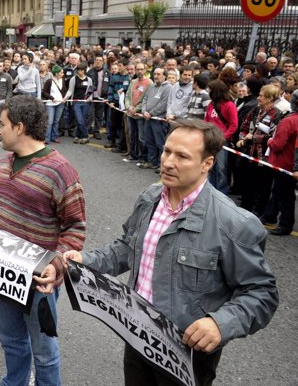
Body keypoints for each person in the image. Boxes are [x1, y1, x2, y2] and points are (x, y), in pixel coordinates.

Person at [65, 119, 278, 386]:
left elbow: (262, 293)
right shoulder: (150, 198)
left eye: (182, 156)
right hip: (136, 335)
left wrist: (220, 324)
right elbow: (126, 248)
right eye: (167, 151)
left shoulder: (234, 223)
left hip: (188, 353)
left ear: (207, 164)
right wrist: (84, 260)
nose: (167, 162)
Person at [0, 95, 86, 385]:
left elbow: (75, 228)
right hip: (3, 273)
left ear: (20, 127)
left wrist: (57, 265)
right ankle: (15, 381)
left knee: (44, 351)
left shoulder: (61, 171)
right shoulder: (2, 164)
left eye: (3, 124)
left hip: (39, 281)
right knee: (11, 340)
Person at [235, 84, 282, 217]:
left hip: (264, 157)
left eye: (261, 96)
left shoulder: (276, 114)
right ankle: (245, 206)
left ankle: (259, 210)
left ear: (269, 98)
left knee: (263, 185)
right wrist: (243, 138)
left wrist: (254, 137)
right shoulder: (255, 110)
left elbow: (274, 135)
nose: (258, 97)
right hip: (249, 153)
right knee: (247, 181)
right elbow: (244, 125)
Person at [265, 90, 298, 235]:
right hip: (292, 163)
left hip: (284, 163)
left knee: (284, 195)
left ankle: (285, 224)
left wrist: (270, 141)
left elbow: (278, 144)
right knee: (283, 194)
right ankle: (271, 216)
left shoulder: (289, 121)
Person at [204, 80, 238, 194]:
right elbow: (207, 120)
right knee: (211, 167)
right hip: (210, 139)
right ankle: (211, 190)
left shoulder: (229, 105)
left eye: (211, 89)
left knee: (221, 169)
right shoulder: (211, 104)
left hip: (222, 141)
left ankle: (222, 192)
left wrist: (224, 137)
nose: (209, 92)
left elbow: (233, 125)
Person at [140, 68, 171, 171]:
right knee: (149, 141)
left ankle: (161, 164)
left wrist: (151, 113)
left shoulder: (168, 88)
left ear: (165, 76)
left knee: (160, 143)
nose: (156, 76)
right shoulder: (152, 86)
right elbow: (145, 99)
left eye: (158, 74)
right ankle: (151, 161)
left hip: (158, 120)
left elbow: (163, 104)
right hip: (148, 118)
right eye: (155, 74)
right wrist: (144, 111)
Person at [65, 62, 94, 144]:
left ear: (84, 70)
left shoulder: (89, 80)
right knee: (79, 119)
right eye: (78, 70)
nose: (79, 72)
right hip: (76, 102)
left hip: (85, 102)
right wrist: (65, 98)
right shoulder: (73, 79)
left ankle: (77, 135)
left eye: (81, 70)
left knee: (83, 120)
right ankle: (85, 136)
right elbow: (70, 90)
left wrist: (89, 98)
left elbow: (90, 91)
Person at [42, 64, 68, 144]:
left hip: (60, 103)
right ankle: (47, 138)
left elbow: (64, 91)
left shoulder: (62, 81)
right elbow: (44, 92)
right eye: (61, 73)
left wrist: (65, 98)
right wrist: (52, 98)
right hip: (50, 104)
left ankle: (54, 137)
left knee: (56, 121)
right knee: (50, 121)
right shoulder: (49, 81)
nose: (63, 74)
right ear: (56, 73)